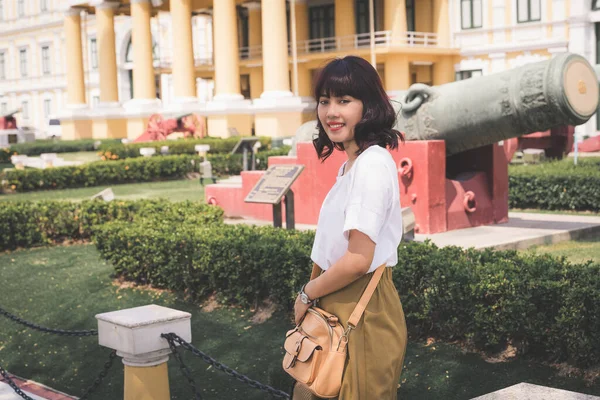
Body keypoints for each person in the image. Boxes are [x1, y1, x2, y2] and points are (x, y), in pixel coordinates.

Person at [292, 56, 408, 400]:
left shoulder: (371, 165)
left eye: (344, 101)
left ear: (368, 106)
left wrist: (306, 293)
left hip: (361, 308)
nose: (331, 112)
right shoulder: (354, 164)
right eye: (324, 101)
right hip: (339, 301)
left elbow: (358, 258)